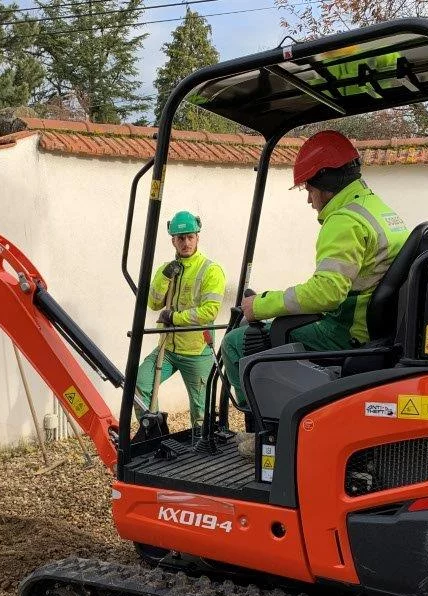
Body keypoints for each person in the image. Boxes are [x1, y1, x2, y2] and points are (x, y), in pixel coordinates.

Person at [222, 129, 411, 415]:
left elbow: (327, 293)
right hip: (377, 328)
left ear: (326, 182)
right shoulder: (378, 210)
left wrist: (259, 305)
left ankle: (260, 427)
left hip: (348, 332)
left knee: (235, 342)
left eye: (310, 190)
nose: (309, 200)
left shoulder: (344, 220)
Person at [136, 210, 226, 433]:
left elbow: (209, 312)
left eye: (190, 237)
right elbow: (154, 303)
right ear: (173, 241)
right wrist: (165, 276)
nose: (186, 243)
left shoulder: (210, 270)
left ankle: (201, 447)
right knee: (140, 384)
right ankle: (155, 434)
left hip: (197, 351)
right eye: (181, 238)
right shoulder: (166, 270)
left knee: (201, 412)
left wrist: (175, 318)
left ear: (197, 238)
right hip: (167, 349)